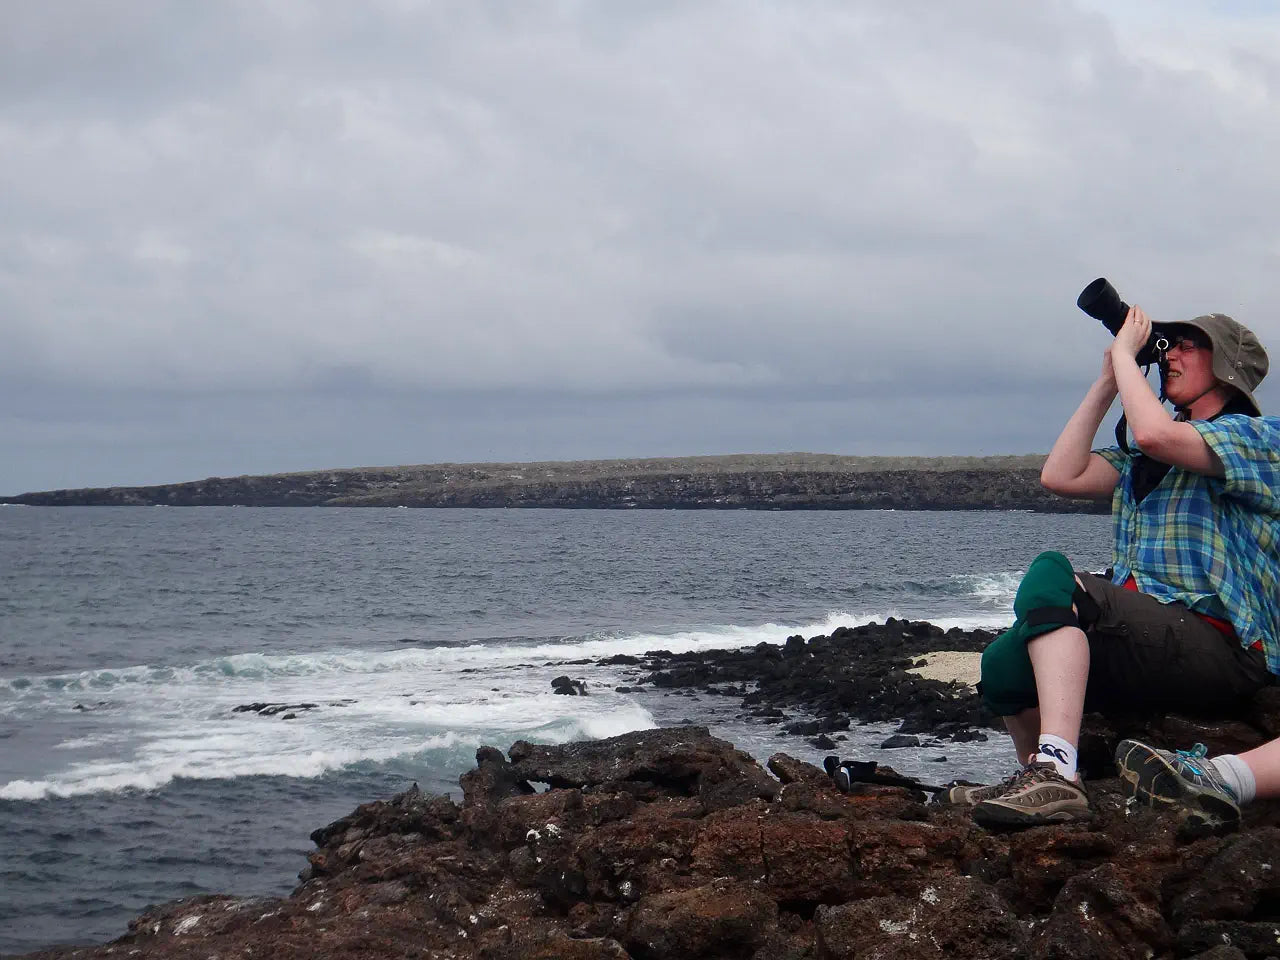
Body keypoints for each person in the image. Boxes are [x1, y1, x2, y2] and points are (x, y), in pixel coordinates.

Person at [947, 305, 1279, 828]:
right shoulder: (1140, 462)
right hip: (1149, 640)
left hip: (1222, 644)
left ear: (1227, 368)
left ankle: (1057, 771)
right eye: (1171, 343)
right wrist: (1108, 380)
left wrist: (1128, 355)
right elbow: (1061, 474)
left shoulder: (1259, 440)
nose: (1172, 353)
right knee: (1003, 664)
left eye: (1190, 346)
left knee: (1053, 573)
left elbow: (1155, 434)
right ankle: (1041, 779)